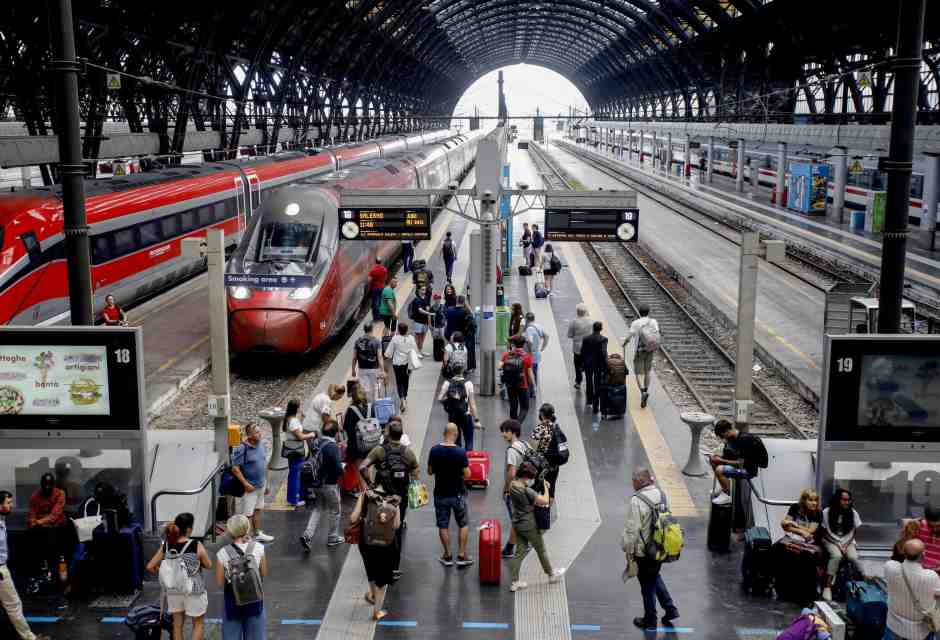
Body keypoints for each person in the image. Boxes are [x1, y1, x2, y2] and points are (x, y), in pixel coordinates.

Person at [360, 419, 419, 581]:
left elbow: (362, 467)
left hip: (381, 496)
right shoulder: (408, 452)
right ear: (401, 435)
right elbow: (416, 471)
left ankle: (376, 562)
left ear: (387, 433)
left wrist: (371, 484)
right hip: (400, 497)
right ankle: (394, 567)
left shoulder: (379, 451)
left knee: (378, 524)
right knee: (396, 529)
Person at [621, 467, 679, 629]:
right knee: (654, 576)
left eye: (633, 480)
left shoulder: (637, 500)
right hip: (660, 548)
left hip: (644, 552)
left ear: (639, 482)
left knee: (647, 586)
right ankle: (670, 609)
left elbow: (632, 530)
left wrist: (627, 550)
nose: (632, 483)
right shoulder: (660, 494)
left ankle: (650, 621)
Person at [146, 513, 212, 640]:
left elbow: (150, 566)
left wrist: (166, 573)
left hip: (174, 590)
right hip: (194, 589)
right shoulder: (196, 544)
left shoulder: (167, 545)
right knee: (197, 624)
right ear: (188, 530)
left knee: (177, 625)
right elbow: (208, 565)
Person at [0, 490, 51, 640]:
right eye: (8, 503)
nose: (11, 506)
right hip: (0, 570)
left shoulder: (2, 520)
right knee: (13, 604)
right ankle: (30, 638)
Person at [507, 462, 565, 592]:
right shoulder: (526, 490)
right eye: (530, 477)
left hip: (518, 522)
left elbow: (528, 489)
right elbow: (544, 500)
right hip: (529, 524)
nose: (531, 479)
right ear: (526, 476)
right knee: (541, 549)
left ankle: (515, 582)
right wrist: (545, 486)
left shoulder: (513, 485)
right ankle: (551, 575)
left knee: (519, 552)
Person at [350, 486, 400, 621]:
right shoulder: (394, 499)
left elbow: (353, 519)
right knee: (382, 581)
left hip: (367, 542)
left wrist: (361, 498)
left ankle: (372, 595)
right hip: (386, 545)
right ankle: (376, 612)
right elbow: (396, 525)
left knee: (371, 570)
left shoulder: (366, 495)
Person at [427, 423, 473, 567]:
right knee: (463, 523)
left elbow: (429, 471)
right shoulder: (460, 452)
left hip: (440, 494)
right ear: (456, 434)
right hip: (458, 494)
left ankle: (447, 556)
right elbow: (468, 474)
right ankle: (461, 555)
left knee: (443, 525)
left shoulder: (434, 450)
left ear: (444, 433)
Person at [216, 515, 267, 640]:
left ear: (230, 531)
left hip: (233, 601)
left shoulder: (223, 553)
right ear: (247, 528)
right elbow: (263, 573)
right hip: (255, 599)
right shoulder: (258, 548)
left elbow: (220, 582)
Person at [300, 420, 344, 550]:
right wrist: (342, 468)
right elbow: (338, 469)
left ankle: (307, 534)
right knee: (335, 510)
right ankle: (333, 537)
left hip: (316, 482)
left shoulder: (316, 442)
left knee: (318, 508)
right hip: (330, 484)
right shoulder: (332, 446)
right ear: (336, 433)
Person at [883, 539, 940, 640]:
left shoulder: (890, 567)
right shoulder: (931, 576)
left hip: (894, 628)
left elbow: (894, 564)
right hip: (919, 634)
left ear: (904, 553)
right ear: (923, 555)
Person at [230, 423, 274, 543]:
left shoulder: (261, 445)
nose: (260, 435)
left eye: (260, 432)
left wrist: (267, 483)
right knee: (247, 514)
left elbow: (265, 464)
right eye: (256, 433)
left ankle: (256, 533)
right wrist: (245, 484)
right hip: (249, 488)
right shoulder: (242, 448)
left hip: (261, 484)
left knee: (258, 509)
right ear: (249, 435)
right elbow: (235, 468)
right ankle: (245, 538)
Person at [820, 488, 865, 601]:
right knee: (837, 556)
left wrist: (845, 544)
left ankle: (864, 581)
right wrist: (838, 544)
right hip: (830, 540)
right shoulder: (826, 512)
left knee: (853, 557)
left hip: (847, 541)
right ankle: (827, 586)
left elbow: (854, 531)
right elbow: (825, 533)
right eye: (844, 500)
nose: (846, 502)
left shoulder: (853, 512)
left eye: (848, 500)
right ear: (837, 500)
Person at [708, 419, 766, 505]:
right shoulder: (733, 439)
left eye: (722, 436)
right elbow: (730, 456)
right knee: (713, 461)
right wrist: (718, 458)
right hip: (740, 465)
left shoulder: (744, 440)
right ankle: (723, 487)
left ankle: (727, 496)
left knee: (719, 470)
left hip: (748, 470)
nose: (723, 439)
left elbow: (740, 463)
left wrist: (721, 460)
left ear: (727, 431)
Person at [26, 473, 66, 586]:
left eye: (50, 485)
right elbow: (32, 514)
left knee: (58, 557)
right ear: (41, 485)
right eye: (45, 485)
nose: (47, 487)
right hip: (41, 531)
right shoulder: (35, 496)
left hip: (57, 529)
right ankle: (40, 577)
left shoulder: (60, 494)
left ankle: (60, 580)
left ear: (53, 485)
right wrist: (33, 522)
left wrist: (38, 522)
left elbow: (55, 515)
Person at [500, 419, 528, 559]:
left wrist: (506, 489)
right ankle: (512, 547)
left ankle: (513, 549)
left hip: (515, 489)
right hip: (526, 487)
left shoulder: (512, 449)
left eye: (506, 431)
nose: (503, 434)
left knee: (516, 520)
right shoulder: (525, 444)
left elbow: (511, 472)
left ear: (513, 432)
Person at [437, 364, 480, 451]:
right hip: (466, 415)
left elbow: (440, 398)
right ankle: (467, 460)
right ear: (463, 371)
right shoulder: (468, 383)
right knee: (469, 440)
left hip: (453, 416)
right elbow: (472, 403)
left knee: (456, 441)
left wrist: (449, 401)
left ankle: (457, 459)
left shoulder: (447, 383)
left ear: (452, 371)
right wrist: (476, 420)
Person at [283, 399, 317, 508]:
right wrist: (311, 435)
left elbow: (296, 430)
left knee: (293, 473)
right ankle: (295, 499)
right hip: (296, 450)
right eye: (299, 406)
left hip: (292, 449)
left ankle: (292, 497)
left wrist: (301, 419)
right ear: (296, 408)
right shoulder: (293, 421)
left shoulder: (290, 419)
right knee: (296, 474)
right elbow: (300, 436)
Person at [624, 304, 660, 409]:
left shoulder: (636, 323)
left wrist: (625, 343)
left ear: (639, 312)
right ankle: (646, 389)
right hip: (650, 349)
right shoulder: (653, 321)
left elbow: (630, 336)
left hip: (639, 350)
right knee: (647, 371)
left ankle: (643, 391)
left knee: (638, 373)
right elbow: (656, 334)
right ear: (648, 312)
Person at [342, 384, 371, 495]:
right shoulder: (369, 407)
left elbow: (346, 428)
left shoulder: (351, 410)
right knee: (368, 470)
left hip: (357, 447)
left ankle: (365, 496)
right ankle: (370, 491)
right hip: (370, 444)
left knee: (360, 472)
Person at [531, 403, 564, 500]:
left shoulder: (539, 428)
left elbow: (534, 447)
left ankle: (540, 507)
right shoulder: (556, 427)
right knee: (551, 487)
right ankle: (548, 508)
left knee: (538, 486)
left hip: (542, 464)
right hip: (554, 464)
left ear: (541, 414)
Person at [384, 321, 419, 413]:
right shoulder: (411, 338)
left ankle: (402, 399)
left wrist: (385, 360)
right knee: (406, 381)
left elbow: (388, 352)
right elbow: (415, 350)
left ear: (398, 330)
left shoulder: (395, 339)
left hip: (397, 364)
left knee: (399, 382)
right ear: (407, 330)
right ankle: (405, 397)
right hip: (408, 364)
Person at [499, 334, 534, 423]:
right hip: (523, 385)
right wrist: (534, 385)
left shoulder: (506, 355)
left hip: (510, 384)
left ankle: (512, 426)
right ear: (523, 344)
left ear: (513, 344)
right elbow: (530, 374)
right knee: (524, 408)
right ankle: (517, 425)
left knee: (513, 406)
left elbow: (499, 367)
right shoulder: (527, 356)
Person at [352, 322, 385, 404]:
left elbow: (354, 357)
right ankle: (374, 405)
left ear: (364, 330)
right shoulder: (376, 342)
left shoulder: (357, 342)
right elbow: (379, 357)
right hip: (374, 368)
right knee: (375, 388)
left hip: (362, 368)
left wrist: (353, 370)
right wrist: (382, 370)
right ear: (372, 329)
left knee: (364, 388)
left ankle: (367, 405)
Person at [580, 321, 609, 415]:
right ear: (601, 329)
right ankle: (596, 406)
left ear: (593, 328)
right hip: (598, 365)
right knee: (597, 384)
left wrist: (582, 364)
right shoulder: (603, 339)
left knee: (589, 381)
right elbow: (604, 354)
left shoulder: (586, 339)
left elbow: (582, 352)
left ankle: (589, 400)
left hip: (588, 364)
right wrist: (606, 367)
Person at [523, 311, 549, 398]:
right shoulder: (539, 326)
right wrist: (543, 347)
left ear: (526, 319)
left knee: (529, 373)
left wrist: (529, 351)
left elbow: (529, 341)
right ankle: (533, 390)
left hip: (530, 355)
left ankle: (531, 391)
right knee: (534, 372)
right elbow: (547, 336)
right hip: (537, 354)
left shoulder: (529, 329)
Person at [567, 304, 593, 390]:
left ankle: (578, 382)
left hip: (577, 348)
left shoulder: (574, 322)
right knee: (588, 365)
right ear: (585, 311)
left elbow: (570, 335)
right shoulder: (591, 321)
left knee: (577, 365)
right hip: (588, 348)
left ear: (577, 312)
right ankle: (589, 381)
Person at [913, 505, 940, 573]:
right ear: (926, 520)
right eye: (930, 526)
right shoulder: (919, 525)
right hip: (922, 573)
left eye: (938, 526)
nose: (935, 529)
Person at [408, 286, 434, 356]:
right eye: (422, 289)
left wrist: (429, 322)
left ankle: (420, 350)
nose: (424, 291)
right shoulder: (417, 300)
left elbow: (428, 308)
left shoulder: (426, 299)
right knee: (417, 337)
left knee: (423, 337)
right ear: (419, 290)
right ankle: (416, 352)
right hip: (418, 321)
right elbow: (420, 310)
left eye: (425, 289)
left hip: (425, 322)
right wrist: (429, 313)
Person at [460, 297, 477, 372]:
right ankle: (472, 366)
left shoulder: (463, 311)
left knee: (467, 350)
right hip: (471, 333)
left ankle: (469, 367)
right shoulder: (469, 310)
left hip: (467, 333)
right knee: (471, 350)